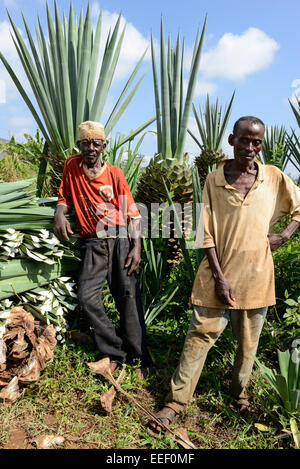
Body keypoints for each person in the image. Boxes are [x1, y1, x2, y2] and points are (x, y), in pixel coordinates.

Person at [150, 116, 300, 428]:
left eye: (256, 141)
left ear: (261, 144)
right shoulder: (214, 180)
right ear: (231, 140)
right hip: (215, 277)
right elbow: (205, 233)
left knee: (248, 345)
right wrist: (219, 277)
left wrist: (284, 235)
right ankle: (175, 404)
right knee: (198, 337)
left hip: (257, 278)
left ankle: (239, 395)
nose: (249, 147)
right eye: (244, 140)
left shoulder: (273, 178)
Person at [54, 120, 152, 375]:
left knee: (128, 298)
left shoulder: (115, 174)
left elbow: (133, 215)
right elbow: (64, 197)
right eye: (85, 143)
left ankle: (140, 358)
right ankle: (115, 350)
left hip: (120, 240)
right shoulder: (71, 166)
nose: (90, 148)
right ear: (78, 146)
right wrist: (59, 213)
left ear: (104, 146)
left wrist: (136, 249)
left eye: (96, 143)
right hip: (93, 244)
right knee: (87, 297)